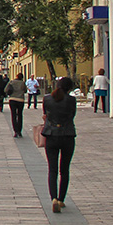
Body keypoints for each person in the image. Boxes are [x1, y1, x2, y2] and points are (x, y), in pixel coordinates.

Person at [42, 76, 77, 213]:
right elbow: (72, 116)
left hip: (51, 135)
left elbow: (45, 115)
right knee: (65, 169)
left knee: (52, 169)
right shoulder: (71, 100)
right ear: (69, 88)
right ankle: (61, 199)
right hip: (67, 135)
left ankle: (54, 199)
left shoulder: (47, 99)